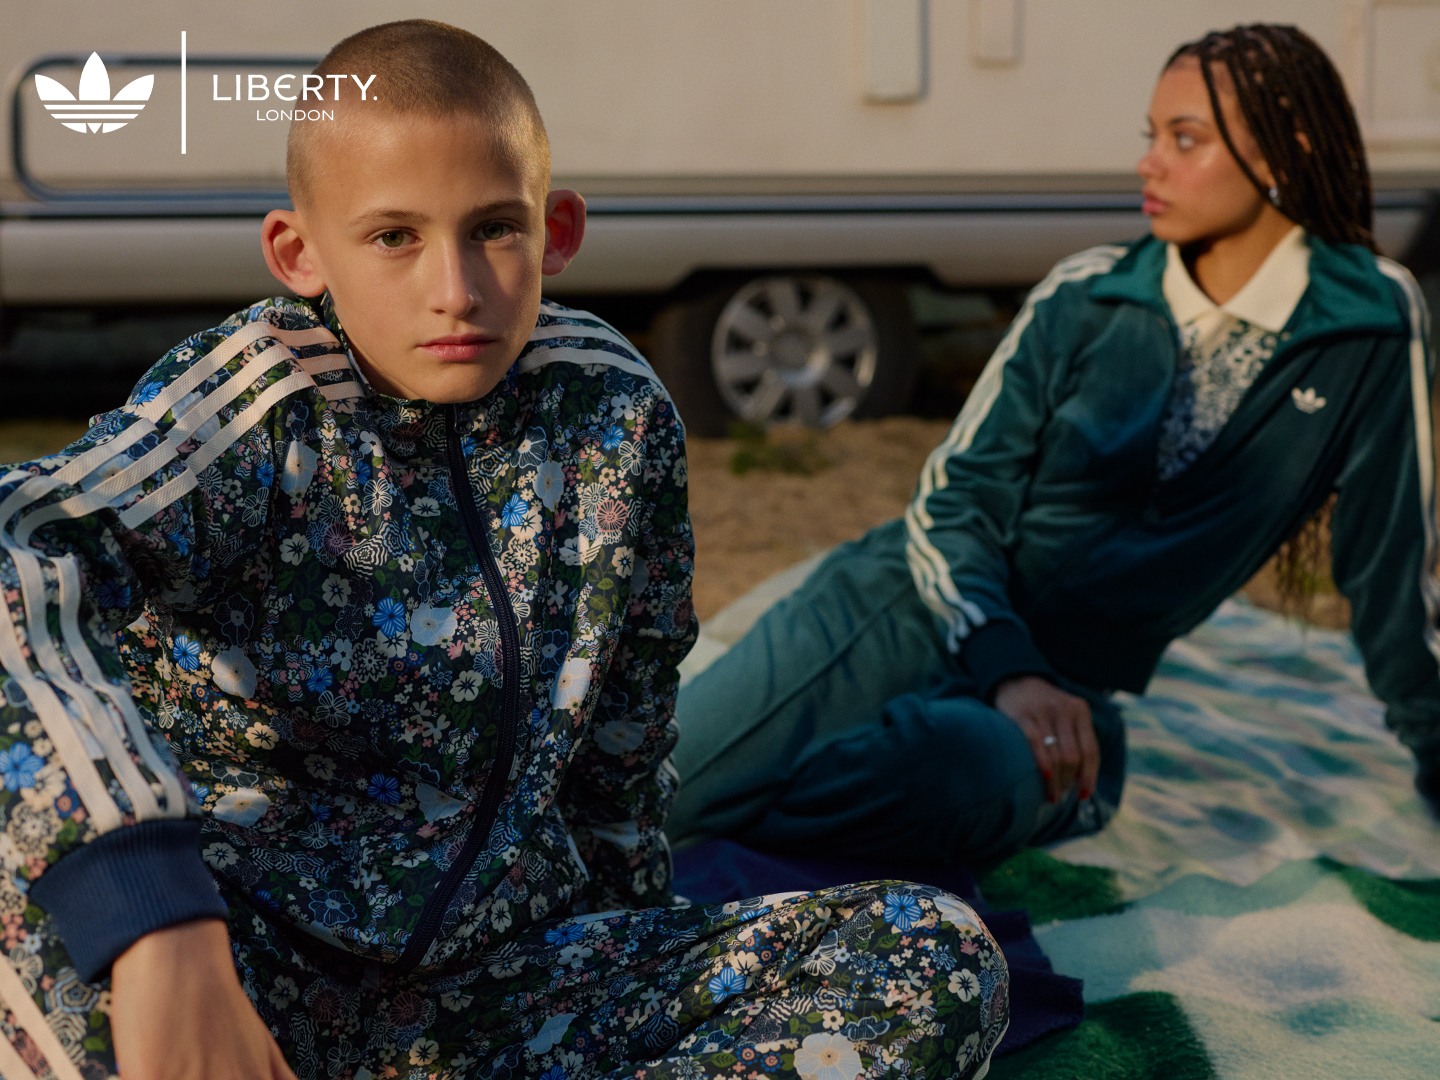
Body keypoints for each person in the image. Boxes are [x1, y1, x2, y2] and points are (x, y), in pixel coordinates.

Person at [0, 20, 1009, 1080]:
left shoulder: (612, 412)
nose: (456, 289)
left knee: (932, 955)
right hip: (231, 969)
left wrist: (630, 937)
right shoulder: (256, 407)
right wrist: (155, 917)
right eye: (394, 237)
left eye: (493, 229)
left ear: (557, 229)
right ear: (302, 253)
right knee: (43, 946)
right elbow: (19, 543)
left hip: (496, 983)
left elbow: (627, 732)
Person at [669, 23, 1440, 863]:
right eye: (1152, 137)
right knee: (661, 799)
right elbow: (955, 503)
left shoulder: (1368, 320)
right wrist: (1010, 666)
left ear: (1288, 151)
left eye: (1187, 139)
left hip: (1066, 698)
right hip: (900, 611)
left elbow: (1390, 574)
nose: (1150, 162)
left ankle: (744, 832)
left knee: (966, 774)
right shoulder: (1088, 295)